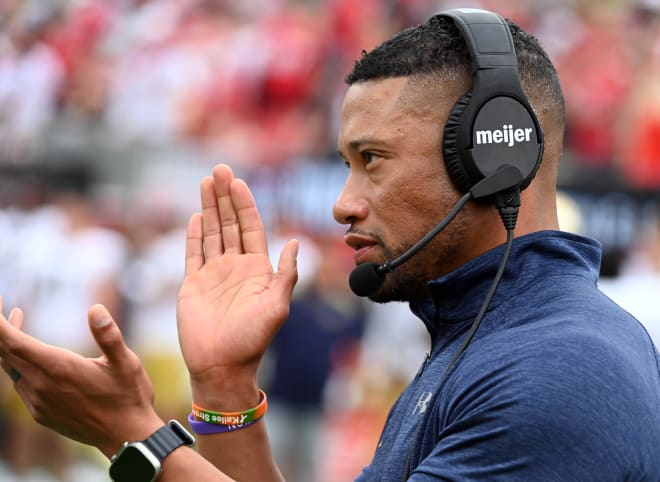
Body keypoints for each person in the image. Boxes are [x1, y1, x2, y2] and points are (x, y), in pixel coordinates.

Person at [1, 7, 659, 482]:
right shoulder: (488, 340)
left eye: (372, 159)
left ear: (493, 160)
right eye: (345, 162)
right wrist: (225, 387)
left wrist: (135, 438)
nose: (343, 201)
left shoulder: (562, 370)